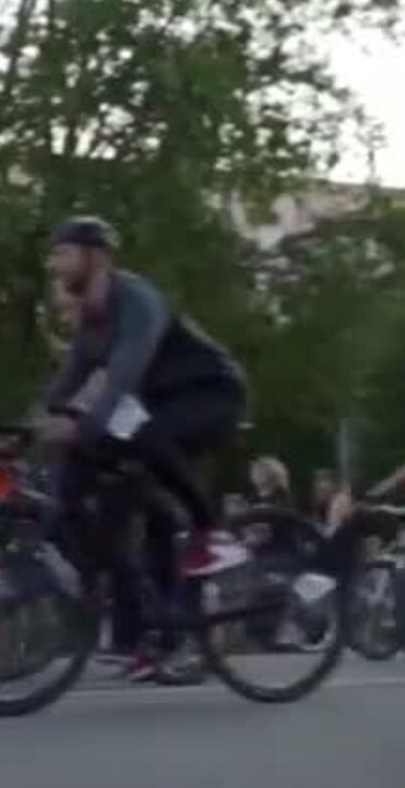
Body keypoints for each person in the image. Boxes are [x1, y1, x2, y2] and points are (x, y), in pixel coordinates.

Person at [37, 216, 249, 674]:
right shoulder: (90, 324)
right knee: (131, 502)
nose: (56, 265)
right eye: (54, 256)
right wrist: (28, 428)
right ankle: (162, 633)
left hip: (211, 393)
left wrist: (82, 425)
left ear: (97, 258)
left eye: (65, 253)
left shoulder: (137, 302)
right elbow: (64, 386)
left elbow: (121, 381)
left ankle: (214, 533)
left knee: (144, 436)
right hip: (156, 404)